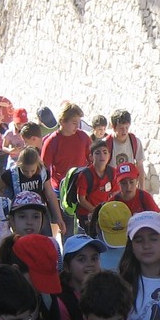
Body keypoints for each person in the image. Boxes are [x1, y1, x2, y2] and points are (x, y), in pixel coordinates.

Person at [41, 102, 91, 238]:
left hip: (82, 190)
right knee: (67, 231)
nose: (77, 126)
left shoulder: (83, 137)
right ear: (63, 121)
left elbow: (92, 160)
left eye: (78, 122)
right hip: (61, 192)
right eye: (74, 122)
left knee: (84, 230)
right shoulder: (52, 141)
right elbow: (43, 170)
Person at [75, 140, 116, 233]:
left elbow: (115, 193)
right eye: (97, 153)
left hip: (105, 213)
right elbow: (81, 199)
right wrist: (96, 212)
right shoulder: (85, 175)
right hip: (87, 214)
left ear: (109, 155)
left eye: (105, 152)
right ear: (91, 157)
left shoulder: (112, 172)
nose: (102, 156)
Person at [105, 109, 144, 175]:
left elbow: (140, 165)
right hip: (113, 182)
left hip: (129, 182)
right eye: (121, 128)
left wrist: (142, 185)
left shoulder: (135, 142)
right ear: (113, 127)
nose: (125, 131)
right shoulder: (105, 144)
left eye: (127, 128)